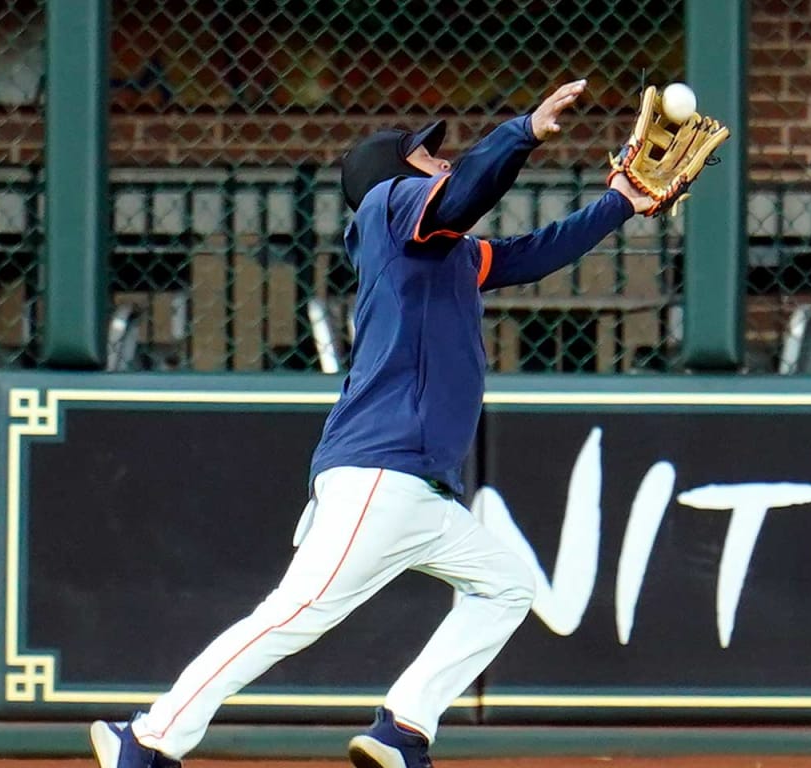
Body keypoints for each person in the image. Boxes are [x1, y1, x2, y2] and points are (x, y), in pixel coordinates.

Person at [89, 79, 653, 768]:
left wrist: (620, 202)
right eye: (425, 155)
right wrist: (524, 130)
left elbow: (527, 254)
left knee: (507, 585)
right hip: (381, 472)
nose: (439, 160)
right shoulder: (391, 206)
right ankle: (148, 740)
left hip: (415, 487)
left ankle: (403, 730)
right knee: (293, 615)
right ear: (395, 178)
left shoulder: (439, 254)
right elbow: (464, 191)